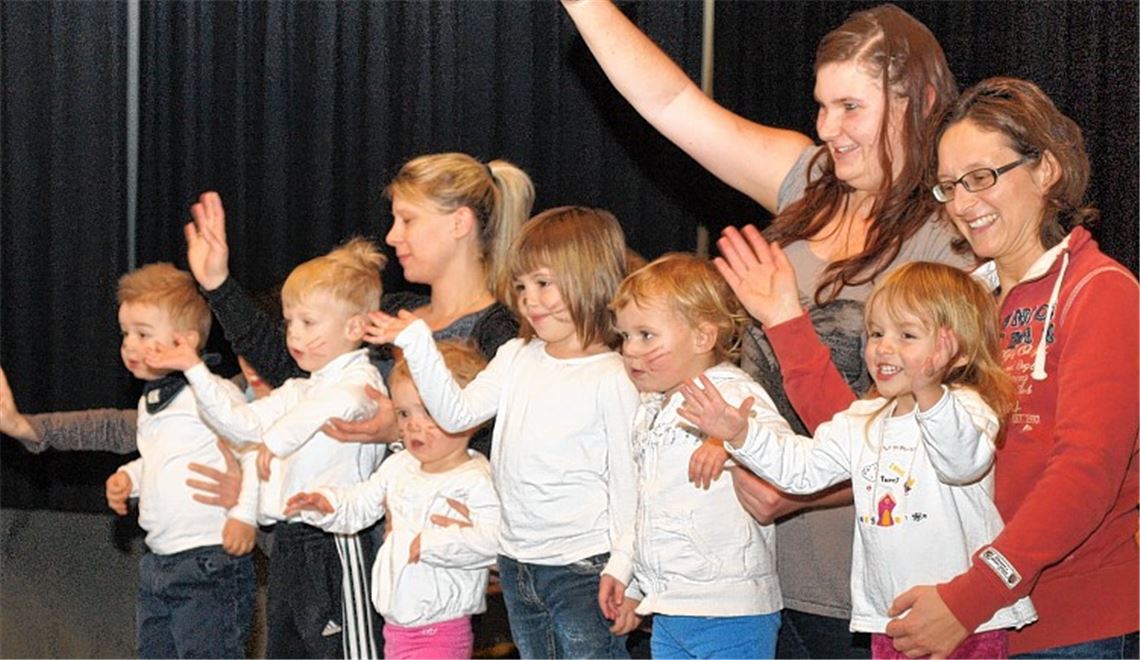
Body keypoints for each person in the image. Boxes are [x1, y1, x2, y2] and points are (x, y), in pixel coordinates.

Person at [561, 2, 969, 655]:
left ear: (919, 100)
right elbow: (670, 101)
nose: (829, 128)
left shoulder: (950, 241)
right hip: (745, 579)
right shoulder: (807, 182)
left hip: (861, 583)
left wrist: (800, 494)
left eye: (851, 107)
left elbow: (932, 441)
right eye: (822, 106)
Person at [879, 78, 1138, 658]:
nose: (965, 204)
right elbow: (881, 436)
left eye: (980, 178)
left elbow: (1085, 475)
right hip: (977, 619)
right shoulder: (967, 303)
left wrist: (970, 598)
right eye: (949, 187)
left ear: (1045, 169)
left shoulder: (1103, 291)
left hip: (1070, 629)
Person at [680, 262, 1039, 658]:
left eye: (907, 335)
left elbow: (961, 462)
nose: (884, 347)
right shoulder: (863, 419)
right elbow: (800, 470)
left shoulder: (968, 408)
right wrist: (740, 434)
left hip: (962, 624)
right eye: (877, 333)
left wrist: (929, 389)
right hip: (887, 620)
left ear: (956, 351)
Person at [364, 206, 639, 659]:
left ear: (588, 275)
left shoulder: (613, 376)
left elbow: (630, 484)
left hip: (583, 567)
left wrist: (628, 570)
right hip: (517, 563)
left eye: (544, 283)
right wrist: (417, 344)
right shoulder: (516, 354)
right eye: (521, 287)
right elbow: (455, 415)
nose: (530, 299)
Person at [187, 152, 532, 455]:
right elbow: (293, 365)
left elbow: (499, 448)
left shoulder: (502, 336)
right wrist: (218, 285)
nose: (392, 236)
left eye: (407, 220)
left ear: (459, 223)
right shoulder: (389, 312)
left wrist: (399, 431)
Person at [147, 237, 389, 659]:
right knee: (286, 649)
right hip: (291, 542)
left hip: (336, 540)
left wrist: (275, 442)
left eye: (308, 322)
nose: (293, 334)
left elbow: (340, 405)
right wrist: (194, 368)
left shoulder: (362, 382)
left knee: (347, 651)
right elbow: (240, 423)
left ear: (354, 327)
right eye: (290, 322)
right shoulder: (300, 388)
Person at [604, 253, 783, 658]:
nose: (630, 349)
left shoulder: (734, 393)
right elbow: (649, 507)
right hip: (669, 607)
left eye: (646, 335)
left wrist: (729, 440)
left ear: (703, 337)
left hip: (730, 610)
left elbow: (782, 451)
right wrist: (626, 574)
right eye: (625, 336)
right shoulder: (651, 408)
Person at [285, 340, 499, 660]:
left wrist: (433, 543)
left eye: (428, 411)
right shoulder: (400, 466)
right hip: (395, 630)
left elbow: (495, 539)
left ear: (465, 413)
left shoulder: (474, 479)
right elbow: (361, 503)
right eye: (403, 413)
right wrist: (327, 504)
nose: (412, 424)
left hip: (440, 631)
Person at [103, 262, 258, 658]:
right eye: (125, 334)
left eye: (143, 334)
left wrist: (245, 513)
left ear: (186, 341)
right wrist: (129, 477)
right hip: (159, 563)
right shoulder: (150, 404)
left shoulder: (213, 393)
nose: (130, 346)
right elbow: (161, 459)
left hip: (210, 561)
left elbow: (251, 447)